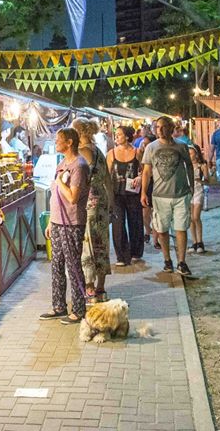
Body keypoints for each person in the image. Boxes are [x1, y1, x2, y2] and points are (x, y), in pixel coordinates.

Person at [40, 128, 91, 325]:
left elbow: (72, 197)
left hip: (72, 222)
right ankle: (58, 306)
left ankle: (78, 310)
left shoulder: (79, 166)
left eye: (58, 139)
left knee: (73, 265)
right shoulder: (62, 164)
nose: (55, 142)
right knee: (57, 264)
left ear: (69, 142)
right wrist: (51, 221)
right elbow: (56, 195)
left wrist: (60, 182)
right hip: (57, 222)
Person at [141, 116, 195, 275]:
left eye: (164, 127)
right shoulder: (151, 147)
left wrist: (191, 185)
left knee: (181, 228)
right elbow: (146, 171)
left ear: (171, 128)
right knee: (162, 229)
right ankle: (167, 259)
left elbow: (189, 166)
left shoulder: (181, 146)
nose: (160, 130)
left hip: (180, 194)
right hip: (160, 195)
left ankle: (182, 261)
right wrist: (144, 192)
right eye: (158, 127)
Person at [73, 117, 114, 304]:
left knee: (87, 244)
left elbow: (79, 181)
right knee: (102, 242)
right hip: (102, 201)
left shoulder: (81, 152)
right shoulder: (98, 152)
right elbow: (107, 179)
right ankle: (101, 287)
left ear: (79, 132)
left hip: (88, 203)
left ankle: (89, 287)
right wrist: (111, 204)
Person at [106, 125, 144, 265]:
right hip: (116, 194)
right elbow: (106, 174)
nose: (116, 137)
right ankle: (121, 256)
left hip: (133, 193)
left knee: (135, 222)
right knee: (118, 224)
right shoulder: (111, 154)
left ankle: (136, 252)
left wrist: (140, 177)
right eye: (116, 134)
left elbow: (144, 169)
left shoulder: (137, 152)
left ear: (127, 136)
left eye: (119, 134)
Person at [188, 144, 210, 252]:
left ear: (196, 154)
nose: (189, 155)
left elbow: (207, 180)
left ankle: (200, 241)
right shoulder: (186, 165)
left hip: (198, 191)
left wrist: (200, 180)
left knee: (196, 217)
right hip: (188, 192)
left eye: (191, 153)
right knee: (191, 218)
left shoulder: (202, 165)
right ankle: (194, 242)